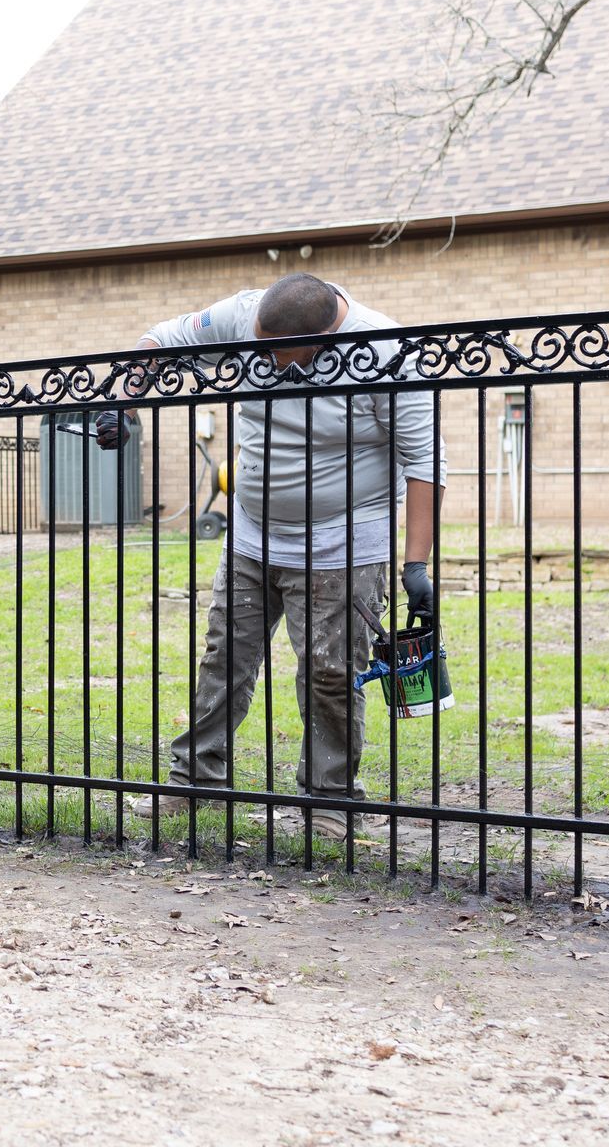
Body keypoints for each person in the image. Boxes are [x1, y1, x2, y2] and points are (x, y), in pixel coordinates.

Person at [96, 273, 445, 840]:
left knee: (330, 672)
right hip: (251, 537)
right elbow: (161, 339)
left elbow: (425, 459)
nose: (268, 363)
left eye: (281, 357)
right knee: (223, 659)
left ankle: (331, 801)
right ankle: (196, 781)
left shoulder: (388, 351)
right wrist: (126, 402)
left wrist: (415, 565)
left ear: (325, 339)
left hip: (344, 544)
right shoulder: (243, 314)